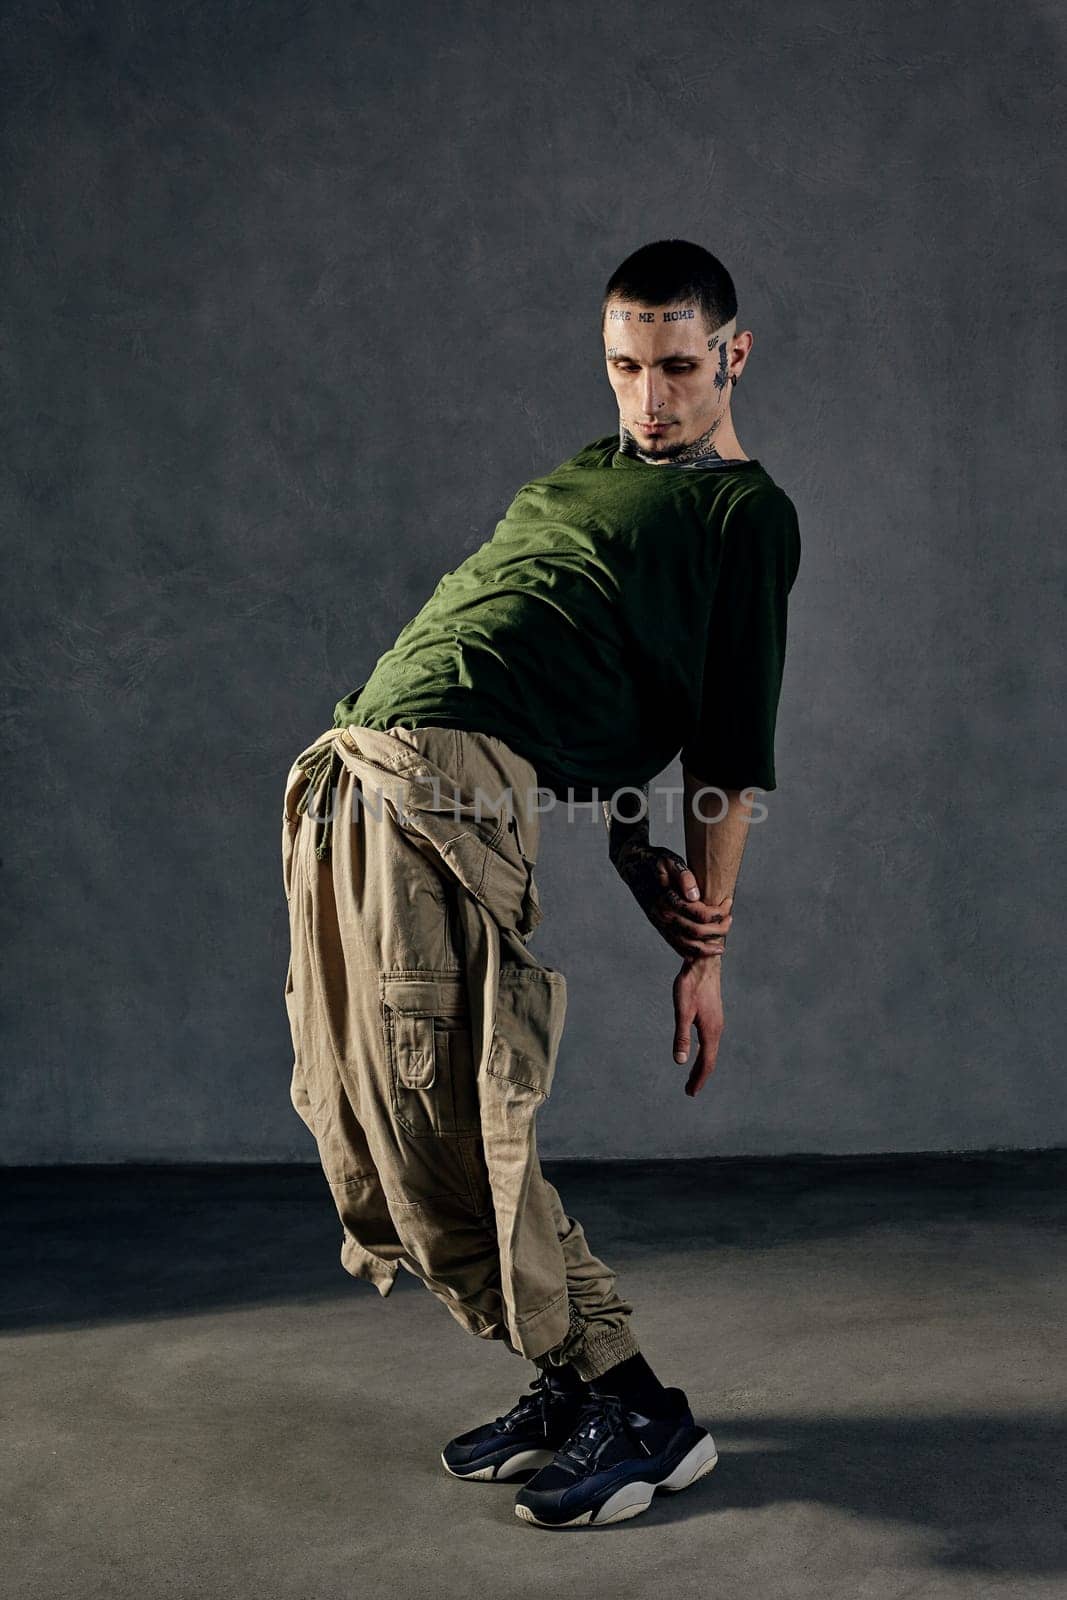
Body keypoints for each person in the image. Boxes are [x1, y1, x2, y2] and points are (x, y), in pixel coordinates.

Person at [280, 238, 802, 1529]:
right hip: (363, 769)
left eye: (678, 366)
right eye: (624, 365)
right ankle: (571, 1389)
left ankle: (632, 1402)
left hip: (448, 791)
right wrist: (631, 846)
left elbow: (724, 746)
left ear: (734, 355)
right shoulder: (587, 474)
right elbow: (597, 702)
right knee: (364, 1100)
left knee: (447, 1112)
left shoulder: (743, 515)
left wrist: (707, 952)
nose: (649, 399)